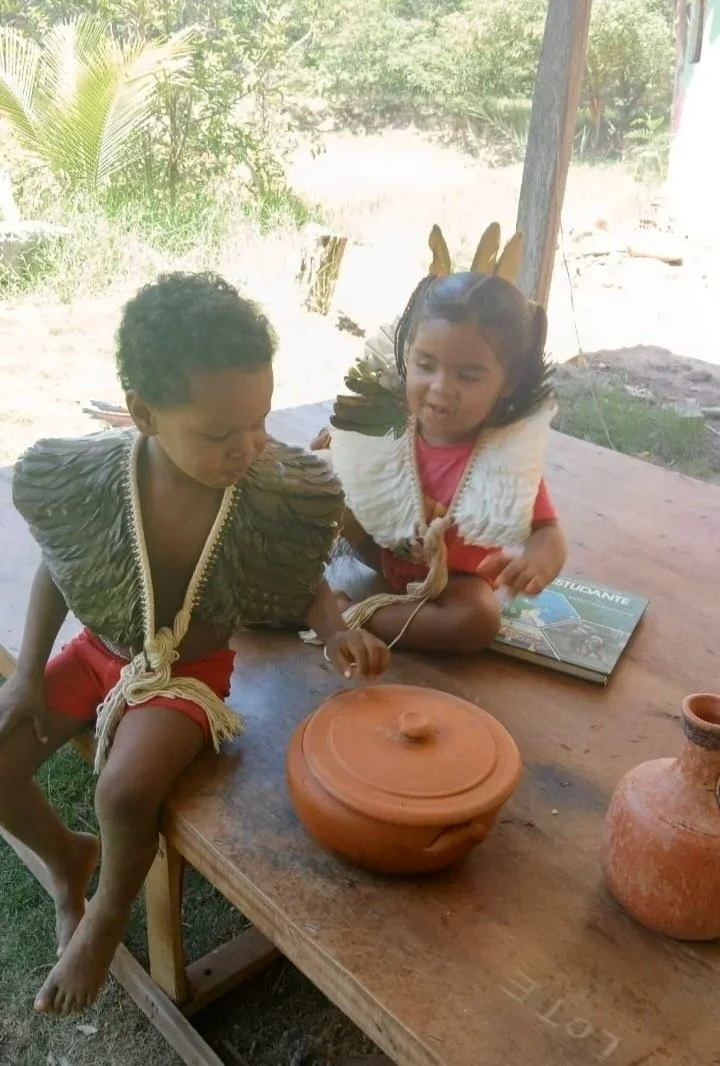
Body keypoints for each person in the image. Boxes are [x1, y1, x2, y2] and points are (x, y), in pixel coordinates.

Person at [0, 272, 389, 1016]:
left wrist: (336, 626)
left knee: (124, 787)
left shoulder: (266, 489)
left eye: (260, 422)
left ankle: (107, 917)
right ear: (143, 414)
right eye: (218, 433)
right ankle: (66, 862)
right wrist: (25, 677)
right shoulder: (99, 481)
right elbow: (61, 563)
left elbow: (299, 569)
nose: (245, 446)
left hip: (189, 674)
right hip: (97, 651)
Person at [307, 223, 567, 654]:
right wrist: (341, 448)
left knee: (478, 620)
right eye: (425, 365)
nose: (441, 387)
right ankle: (311, 598)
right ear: (407, 353)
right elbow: (344, 457)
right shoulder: (390, 423)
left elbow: (548, 532)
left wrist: (537, 563)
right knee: (311, 485)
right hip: (377, 548)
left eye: (468, 375)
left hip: (454, 580)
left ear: (508, 381)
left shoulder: (503, 455)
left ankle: (351, 615)